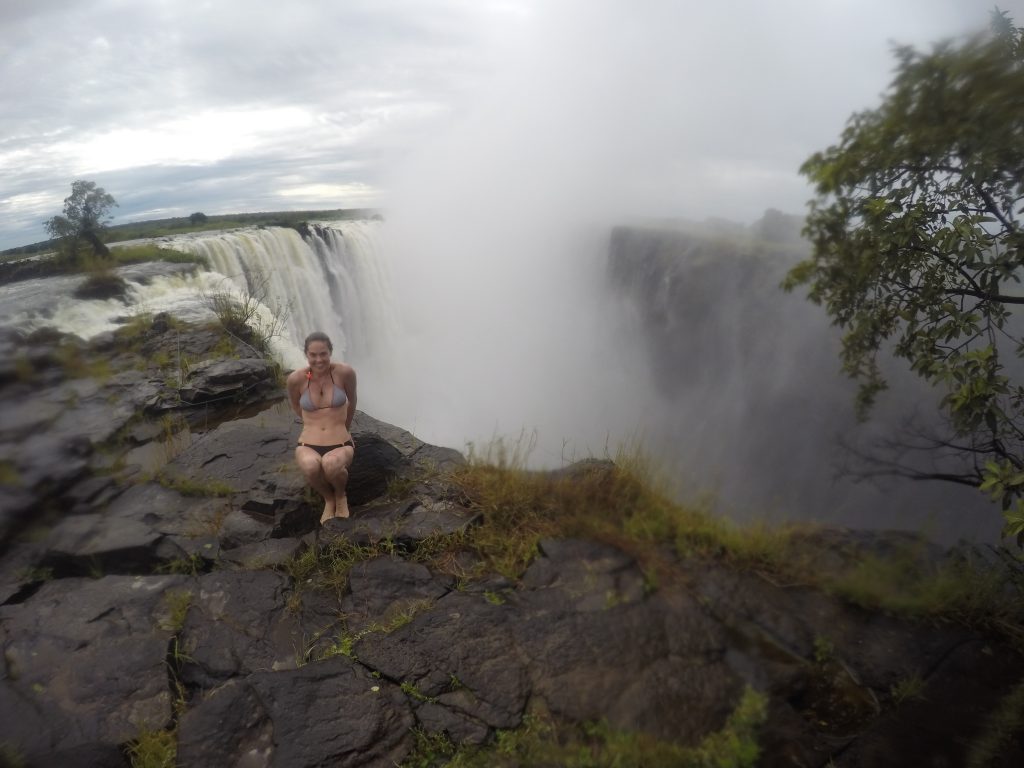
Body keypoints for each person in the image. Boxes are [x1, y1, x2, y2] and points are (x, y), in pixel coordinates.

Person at [286, 331, 357, 524]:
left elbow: (352, 401)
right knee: (311, 467)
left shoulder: (345, 373)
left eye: (323, 354)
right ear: (306, 355)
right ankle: (329, 498)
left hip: (340, 442)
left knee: (330, 464)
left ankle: (341, 495)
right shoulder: (296, 379)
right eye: (313, 355)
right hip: (308, 443)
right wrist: (312, 424)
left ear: (330, 352)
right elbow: (296, 406)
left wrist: (345, 428)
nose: (319, 360)